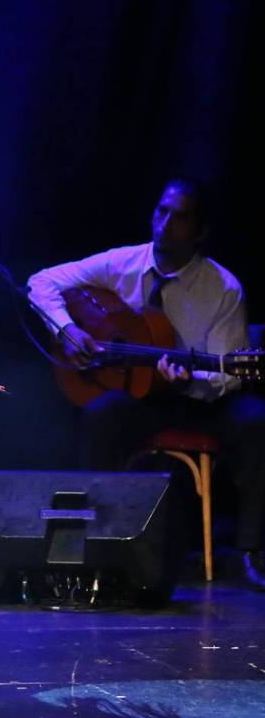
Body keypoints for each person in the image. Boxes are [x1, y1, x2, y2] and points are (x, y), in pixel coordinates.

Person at [27, 178, 265, 585]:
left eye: (180, 217)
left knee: (256, 422)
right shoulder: (124, 262)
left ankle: (251, 551)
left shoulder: (224, 289)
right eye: (162, 211)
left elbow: (226, 377)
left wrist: (189, 381)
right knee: (102, 415)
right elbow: (40, 282)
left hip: (204, 399)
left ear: (201, 231)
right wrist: (68, 330)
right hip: (143, 396)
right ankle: (99, 545)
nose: (165, 223)